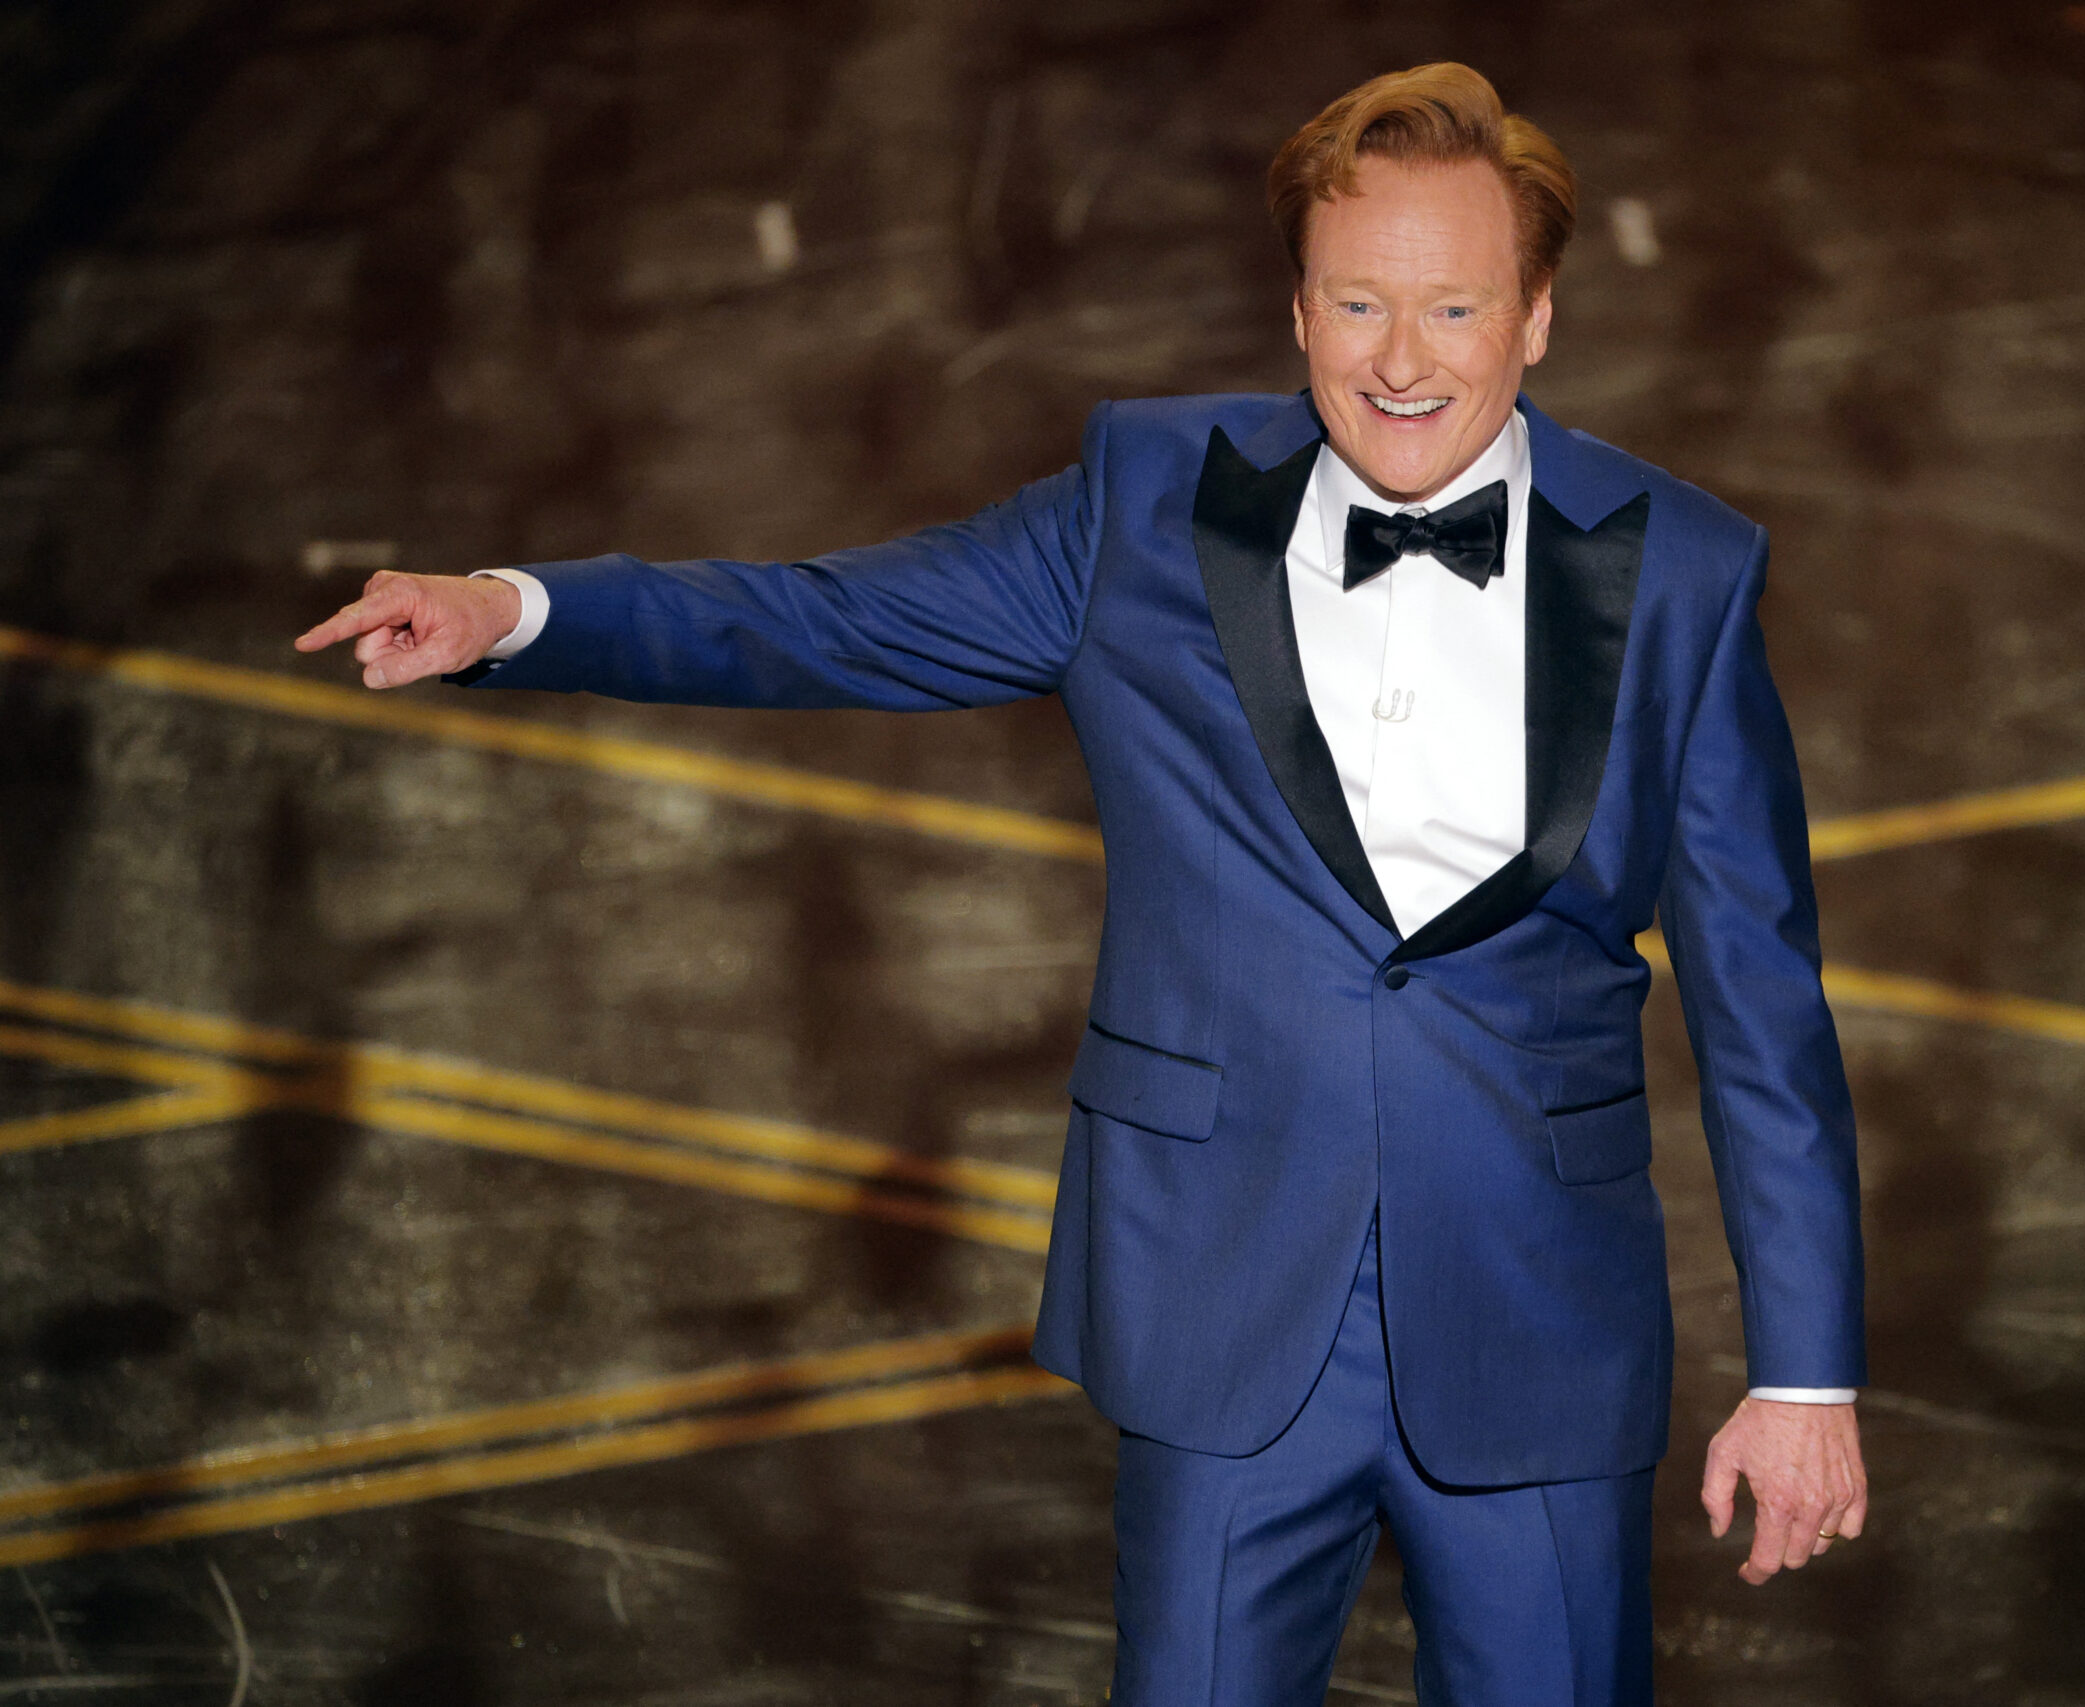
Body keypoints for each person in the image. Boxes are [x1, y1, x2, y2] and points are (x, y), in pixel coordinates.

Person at [298, 61, 1868, 1707]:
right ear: (1297, 307)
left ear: (1537, 316)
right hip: (1225, 1318)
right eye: (1357, 305)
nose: (1403, 362)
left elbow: (1766, 1008)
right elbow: (830, 618)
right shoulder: (1145, 505)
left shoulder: (1685, 569)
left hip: (1541, 1330)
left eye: (1456, 309)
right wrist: (519, 611)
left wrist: (1808, 1379)